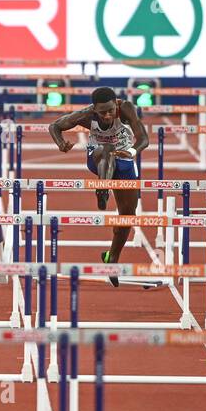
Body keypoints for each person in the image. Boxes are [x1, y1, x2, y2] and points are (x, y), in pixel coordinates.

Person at [48, 85, 150, 286]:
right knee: (106, 149)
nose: (107, 115)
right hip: (98, 158)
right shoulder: (86, 115)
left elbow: (144, 139)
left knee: (128, 215)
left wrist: (131, 152)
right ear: (94, 110)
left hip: (125, 159)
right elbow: (55, 126)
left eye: (110, 110)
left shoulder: (126, 108)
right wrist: (61, 143)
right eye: (102, 112)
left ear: (116, 105)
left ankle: (111, 258)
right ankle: (102, 187)